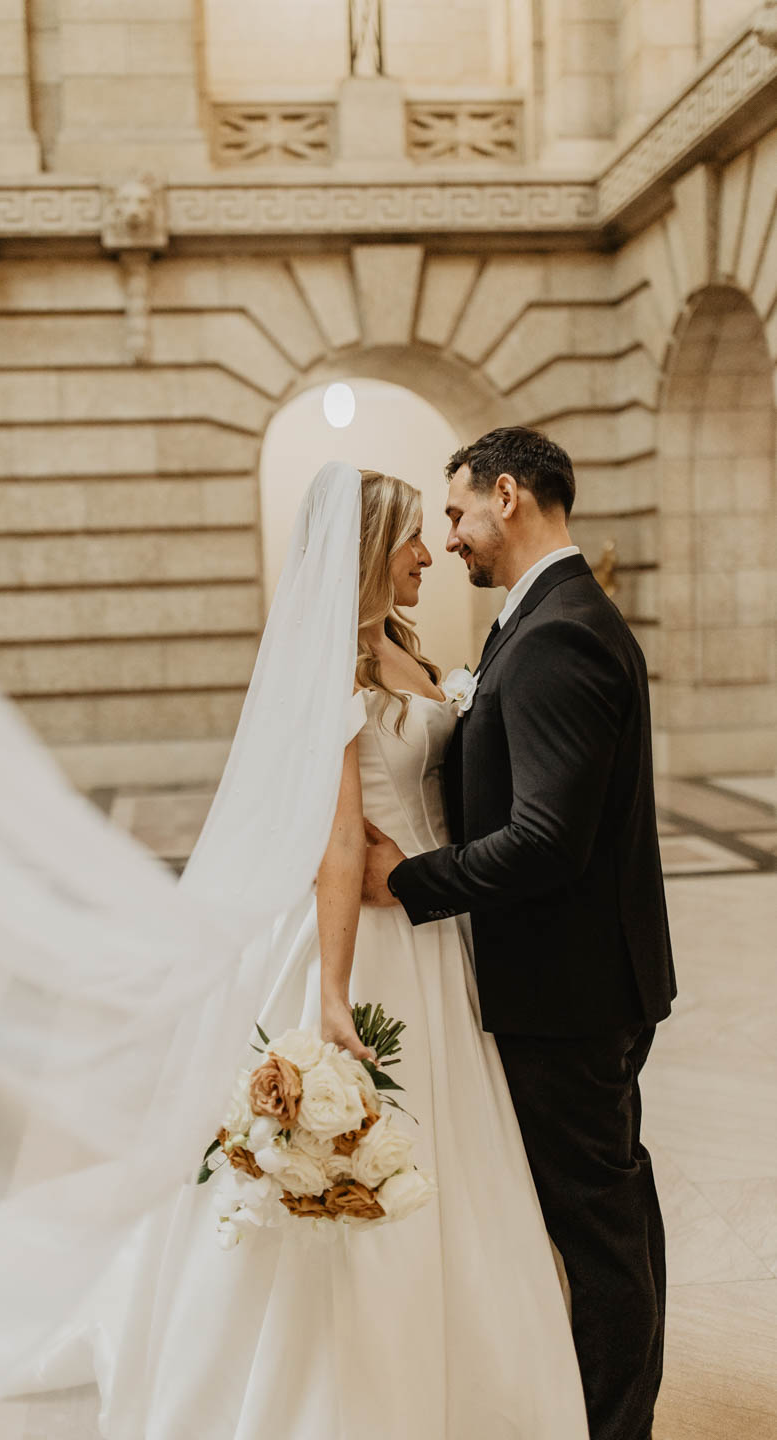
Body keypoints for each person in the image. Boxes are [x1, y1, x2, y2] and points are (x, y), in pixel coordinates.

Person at [0, 463, 589, 1440]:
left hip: (434, 933)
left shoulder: (407, 649)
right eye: (412, 535)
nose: (428, 552)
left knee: (455, 1154)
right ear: (370, 549)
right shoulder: (336, 670)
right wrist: (333, 992)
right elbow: (337, 843)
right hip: (365, 938)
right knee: (347, 1152)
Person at [362, 427, 676, 1440]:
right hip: (580, 978)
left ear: (508, 494)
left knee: (600, 1229)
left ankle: (615, 1424)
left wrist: (409, 880)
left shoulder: (557, 634)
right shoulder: (548, 615)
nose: (449, 538)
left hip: (567, 989)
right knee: (614, 1205)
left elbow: (546, 840)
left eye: (456, 513)